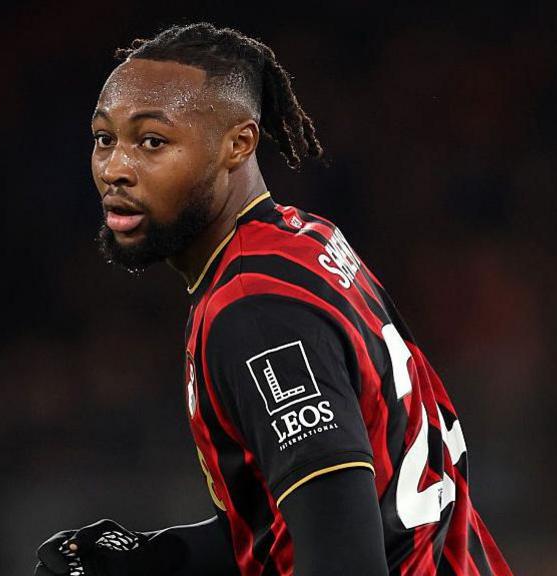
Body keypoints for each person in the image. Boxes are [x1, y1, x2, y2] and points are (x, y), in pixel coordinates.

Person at [34, 22, 512, 576]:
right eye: (103, 139)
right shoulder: (303, 240)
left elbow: (344, 562)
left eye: (152, 142)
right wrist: (155, 557)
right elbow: (312, 518)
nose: (115, 169)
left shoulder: (255, 312)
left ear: (238, 144)